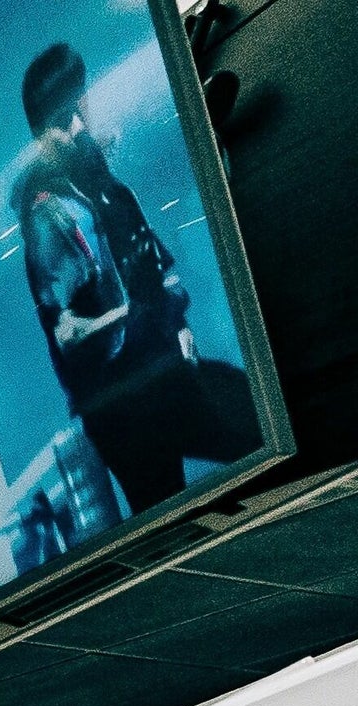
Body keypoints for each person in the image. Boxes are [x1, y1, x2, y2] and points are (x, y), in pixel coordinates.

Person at [15, 39, 261, 509]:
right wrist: (143, 316)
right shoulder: (53, 209)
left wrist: (176, 326)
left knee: (227, 456)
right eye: (81, 96)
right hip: (130, 401)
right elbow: (70, 333)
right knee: (188, 500)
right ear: (71, 106)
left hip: (153, 381)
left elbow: (154, 267)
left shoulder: (99, 188)